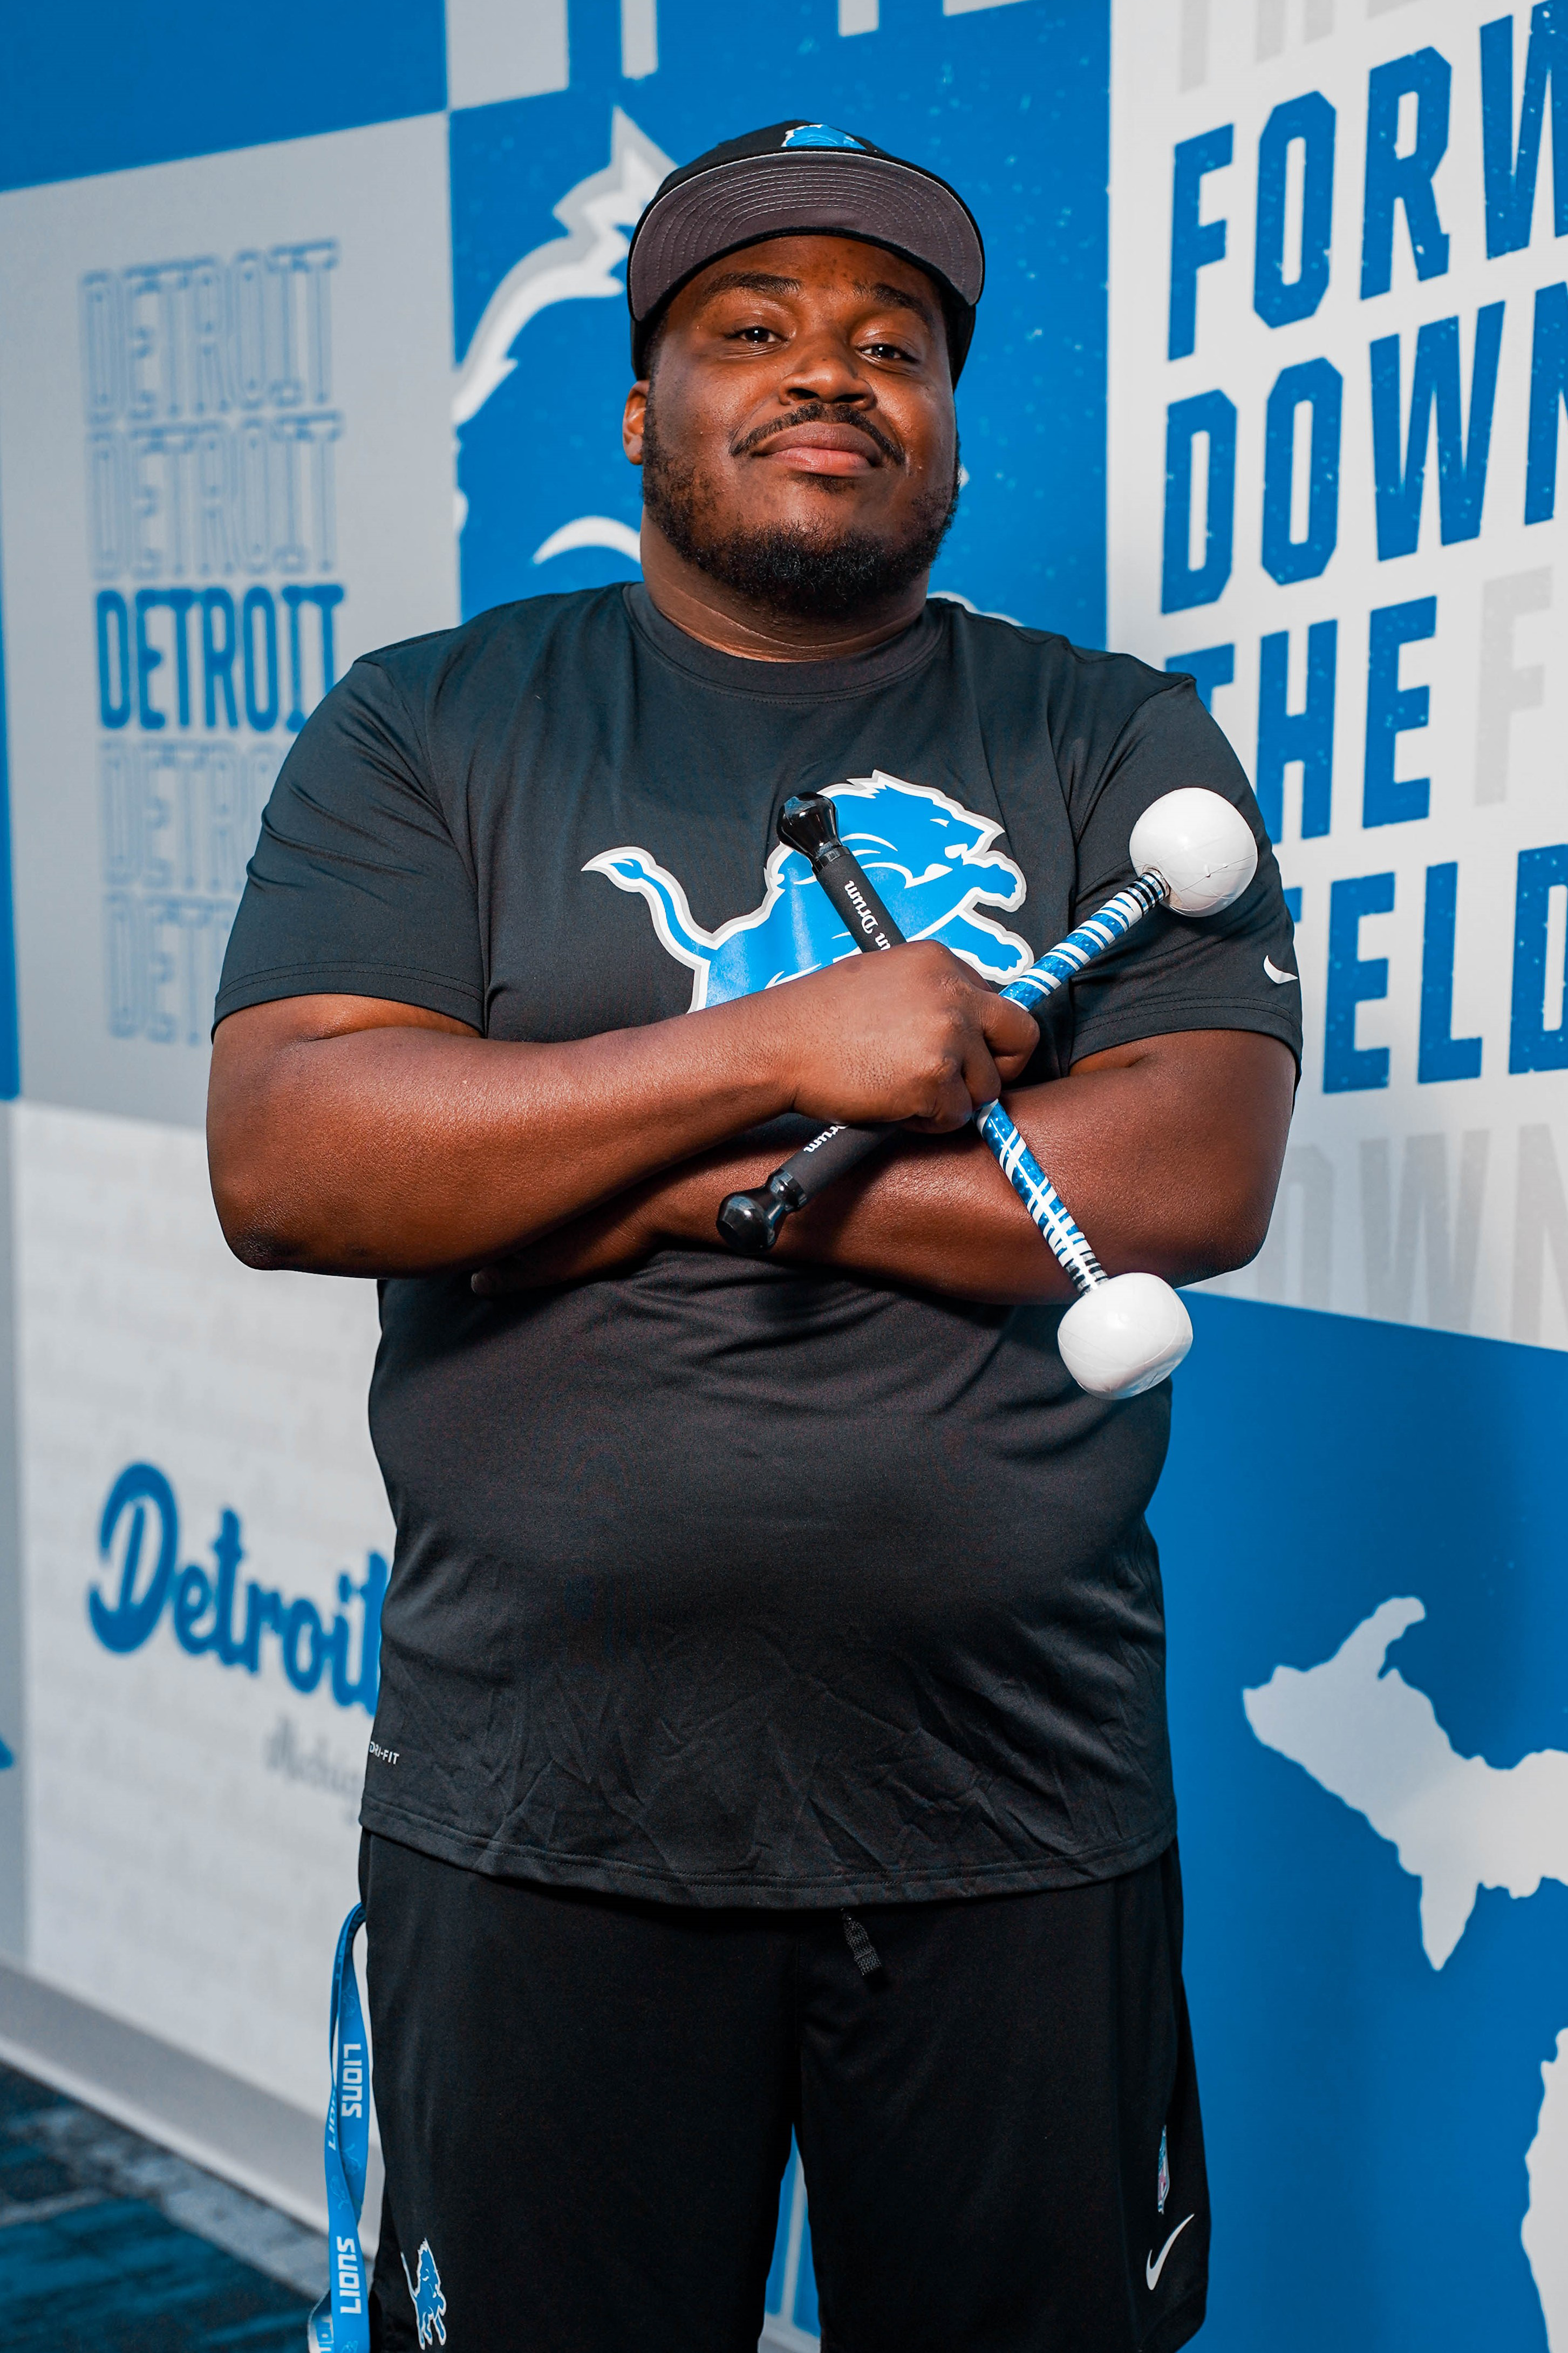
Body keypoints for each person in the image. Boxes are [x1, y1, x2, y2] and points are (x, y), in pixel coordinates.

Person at [208, 122, 1299, 2353]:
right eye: (754, 328)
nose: (831, 372)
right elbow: (297, 1160)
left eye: (892, 343)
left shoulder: (1113, 735)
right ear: (639, 412)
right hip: (538, 1807)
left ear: (954, 438)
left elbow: (1188, 1174)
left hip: (1015, 1801)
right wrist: (775, 1054)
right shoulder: (433, 721)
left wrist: (592, 1184)